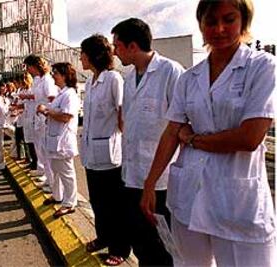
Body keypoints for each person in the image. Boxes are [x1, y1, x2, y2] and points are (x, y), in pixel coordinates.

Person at [140, 0, 276, 266]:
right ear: (201, 25)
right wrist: (150, 183)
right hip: (189, 193)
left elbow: (249, 138)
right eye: (211, 21)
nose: (220, 28)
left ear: (244, 22)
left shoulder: (262, 66)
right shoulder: (190, 77)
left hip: (237, 201)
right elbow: (171, 132)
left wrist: (192, 138)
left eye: (229, 19)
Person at [111, 18, 184, 266]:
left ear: (132, 46)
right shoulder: (130, 78)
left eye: (117, 46)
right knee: (141, 239)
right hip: (132, 174)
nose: (114, 52)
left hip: (161, 180)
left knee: (163, 244)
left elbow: (180, 126)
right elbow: (129, 123)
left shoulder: (170, 72)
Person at [79, 34, 129, 266]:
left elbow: (122, 115)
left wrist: (129, 146)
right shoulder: (90, 81)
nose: (80, 58)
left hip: (111, 155)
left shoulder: (113, 79)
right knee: (97, 202)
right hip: (91, 153)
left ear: (93, 55)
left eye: (83, 53)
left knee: (115, 206)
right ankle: (103, 238)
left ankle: (119, 248)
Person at [37, 62, 80, 218]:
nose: (53, 75)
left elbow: (66, 116)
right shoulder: (61, 93)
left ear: (64, 75)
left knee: (67, 174)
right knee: (56, 171)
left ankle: (70, 203)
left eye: (55, 72)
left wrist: (47, 111)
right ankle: (57, 196)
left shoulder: (70, 94)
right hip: (55, 140)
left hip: (63, 142)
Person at [23, 55, 58, 193]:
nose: (28, 70)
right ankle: (47, 178)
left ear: (34, 66)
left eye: (28, 66)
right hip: (38, 118)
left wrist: (46, 111)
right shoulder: (39, 80)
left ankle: (52, 182)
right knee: (41, 150)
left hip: (44, 118)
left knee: (47, 151)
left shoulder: (47, 80)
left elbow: (52, 99)